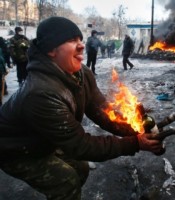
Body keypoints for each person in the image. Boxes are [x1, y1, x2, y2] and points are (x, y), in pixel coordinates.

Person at [0, 16, 163, 200]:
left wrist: (136, 130)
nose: (81, 45)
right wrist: (136, 143)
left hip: (46, 138)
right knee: (65, 181)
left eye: (80, 40)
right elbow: (80, 145)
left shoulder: (81, 72)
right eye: (71, 41)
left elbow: (101, 110)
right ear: (51, 50)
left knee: (81, 168)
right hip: (16, 149)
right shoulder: (40, 93)